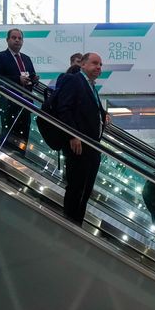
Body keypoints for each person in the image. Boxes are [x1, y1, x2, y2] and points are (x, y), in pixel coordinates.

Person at [54, 53, 111, 225]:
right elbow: (64, 108)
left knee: (85, 191)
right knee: (76, 188)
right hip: (79, 146)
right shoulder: (74, 80)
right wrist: (73, 134)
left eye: (100, 64)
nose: (98, 67)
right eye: (94, 63)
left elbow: (91, 108)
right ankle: (71, 226)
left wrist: (103, 115)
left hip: (92, 146)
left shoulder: (90, 85)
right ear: (83, 65)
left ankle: (77, 224)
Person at [0, 28, 40, 154]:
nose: (17, 40)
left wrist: (34, 80)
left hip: (26, 104)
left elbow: (31, 76)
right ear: (7, 40)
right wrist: (17, 79)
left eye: (19, 38)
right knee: (9, 137)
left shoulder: (26, 59)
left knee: (23, 138)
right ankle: (4, 161)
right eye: (14, 38)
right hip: (8, 103)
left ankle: (20, 160)